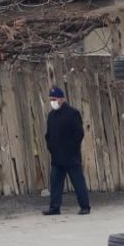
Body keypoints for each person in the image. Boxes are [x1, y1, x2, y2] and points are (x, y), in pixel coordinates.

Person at [44, 86, 91, 215]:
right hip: (57, 156)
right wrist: (51, 147)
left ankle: (85, 206)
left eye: (54, 99)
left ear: (61, 99)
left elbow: (79, 133)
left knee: (78, 182)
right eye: (50, 99)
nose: (52, 102)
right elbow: (48, 134)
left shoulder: (72, 113)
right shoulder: (51, 116)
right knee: (55, 183)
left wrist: (72, 147)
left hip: (71, 156)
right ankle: (54, 207)